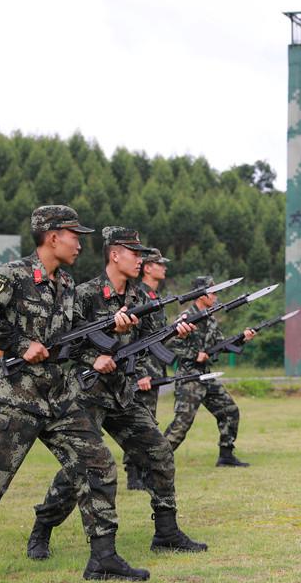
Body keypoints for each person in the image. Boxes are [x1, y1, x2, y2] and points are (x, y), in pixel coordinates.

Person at [0, 206, 148, 583]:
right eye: (74, 235)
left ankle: (103, 558)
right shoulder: (13, 276)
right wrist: (19, 343)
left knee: (98, 466)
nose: (80, 242)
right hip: (18, 398)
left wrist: (111, 330)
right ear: (52, 236)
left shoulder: (67, 284)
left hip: (61, 397)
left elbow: (75, 336)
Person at [26, 227, 208, 561]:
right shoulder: (84, 294)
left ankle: (166, 532)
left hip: (123, 395)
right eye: (135, 253)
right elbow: (61, 343)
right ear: (115, 254)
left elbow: (156, 340)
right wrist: (93, 357)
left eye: (142, 255)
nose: (141, 260)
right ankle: (42, 528)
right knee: (76, 471)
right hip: (87, 394)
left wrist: (180, 328)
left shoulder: (140, 298)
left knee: (160, 454)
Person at [164, 276, 255, 467]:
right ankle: (152, 462)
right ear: (201, 295)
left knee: (230, 411)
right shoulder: (186, 318)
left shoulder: (211, 318)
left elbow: (221, 344)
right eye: (213, 292)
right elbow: (169, 343)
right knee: (182, 424)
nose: (216, 296)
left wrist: (242, 338)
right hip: (189, 377)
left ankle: (226, 455)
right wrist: (193, 354)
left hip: (207, 375)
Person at [123, 247, 171, 490]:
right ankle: (134, 475)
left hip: (155, 367)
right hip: (142, 369)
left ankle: (142, 472)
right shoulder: (139, 295)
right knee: (139, 423)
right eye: (160, 264)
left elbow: (157, 336)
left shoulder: (154, 297)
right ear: (148, 267)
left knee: (148, 421)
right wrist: (139, 373)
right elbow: (132, 340)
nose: (164, 268)